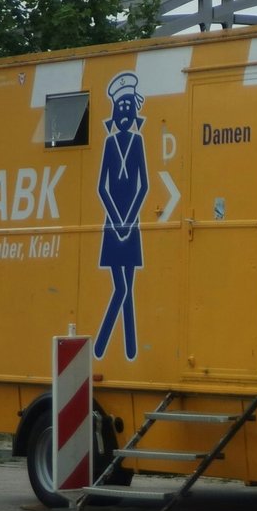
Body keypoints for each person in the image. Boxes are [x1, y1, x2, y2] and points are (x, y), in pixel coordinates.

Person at [96, 71, 148, 361]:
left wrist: (130, 219)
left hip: (131, 223)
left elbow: (145, 186)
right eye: (121, 107)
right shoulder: (108, 145)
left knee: (129, 285)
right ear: (114, 112)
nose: (125, 112)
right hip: (113, 225)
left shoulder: (138, 143)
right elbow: (101, 187)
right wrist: (118, 220)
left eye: (129, 106)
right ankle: (105, 344)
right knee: (122, 287)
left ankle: (127, 348)